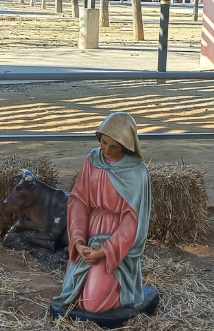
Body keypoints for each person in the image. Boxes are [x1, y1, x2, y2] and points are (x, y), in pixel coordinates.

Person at [52, 113, 151, 314]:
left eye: (114, 146)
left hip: (116, 241)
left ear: (126, 145)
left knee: (93, 303)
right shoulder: (93, 160)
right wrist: (78, 240)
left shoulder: (136, 171)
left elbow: (133, 219)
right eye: (104, 142)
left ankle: (121, 291)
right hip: (89, 231)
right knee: (75, 295)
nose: (106, 150)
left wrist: (105, 251)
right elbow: (79, 201)